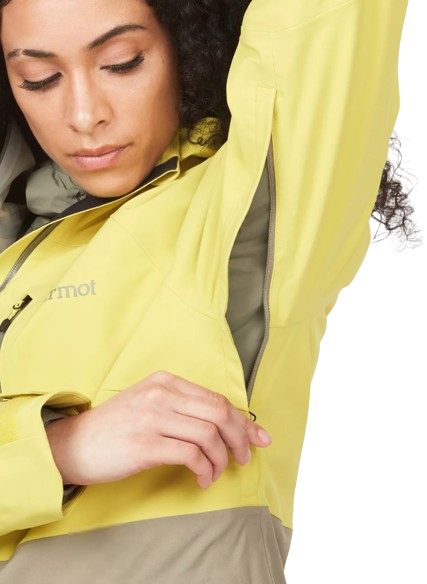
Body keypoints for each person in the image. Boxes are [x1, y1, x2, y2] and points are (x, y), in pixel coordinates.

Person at [0, 0, 412, 582]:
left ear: (189, 43)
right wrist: (62, 450)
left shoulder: (247, 215)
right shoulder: (20, 233)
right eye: (39, 78)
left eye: (122, 62)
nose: (85, 115)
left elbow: (326, 25)